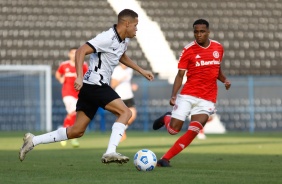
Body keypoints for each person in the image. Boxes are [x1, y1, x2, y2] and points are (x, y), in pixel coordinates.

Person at [19, 9, 154, 164]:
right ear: (127, 23)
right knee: (125, 112)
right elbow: (81, 51)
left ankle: (33, 140)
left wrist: (141, 70)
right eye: (135, 25)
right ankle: (110, 151)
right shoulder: (107, 37)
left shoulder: (123, 41)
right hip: (96, 85)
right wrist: (79, 76)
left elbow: (121, 54)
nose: (137, 29)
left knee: (77, 131)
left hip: (91, 87)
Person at [152, 19, 231, 167]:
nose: (199, 34)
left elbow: (216, 70)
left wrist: (224, 79)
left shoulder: (218, 48)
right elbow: (180, 75)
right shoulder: (188, 50)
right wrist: (174, 95)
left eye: (202, 31)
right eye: (196, 31)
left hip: (208, 98)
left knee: (194, 130)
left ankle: (165, 159)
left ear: (208, 32)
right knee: (174, 130)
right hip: (188, 95)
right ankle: (167, 118)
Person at [55, 48, 88, 147]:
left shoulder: (83, 65)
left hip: (79, 94)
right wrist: (60, 79)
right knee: (73, 112)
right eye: (72, 53)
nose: (74, 55)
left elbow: (87, 76)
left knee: (74, 115)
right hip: (68, 93)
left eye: (76, 53)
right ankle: (71, 137)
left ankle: (63, 132)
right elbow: (58, 73)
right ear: (69, 54)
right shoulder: (64, 65)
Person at [111, 63, 138, 142]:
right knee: (123, 116)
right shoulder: (116, 70)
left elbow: (128, 82)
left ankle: (121, 129)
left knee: (132, 115)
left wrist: (132, 86)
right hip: (120, 97)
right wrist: (121, 79)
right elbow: (112, 85)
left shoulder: (130, 70)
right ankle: (119, 132)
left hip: (129, 96)